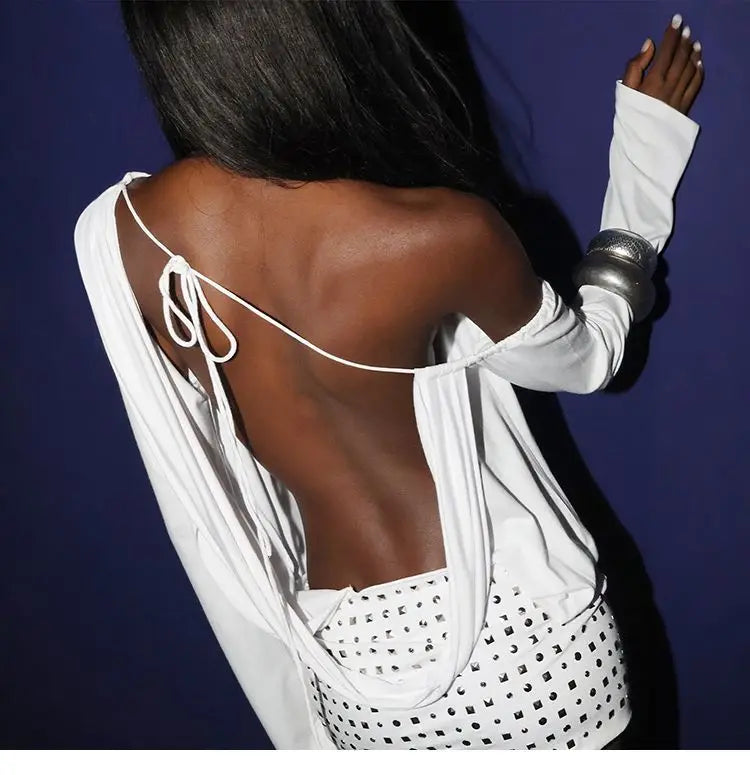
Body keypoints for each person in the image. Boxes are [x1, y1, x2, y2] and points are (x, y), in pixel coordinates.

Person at [74, 1, 703, 750]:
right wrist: (643, 161)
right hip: (533, 657)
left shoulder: (121, 238)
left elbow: (196, 504)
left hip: (349, 666)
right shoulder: (438, 232)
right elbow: (591, 358)